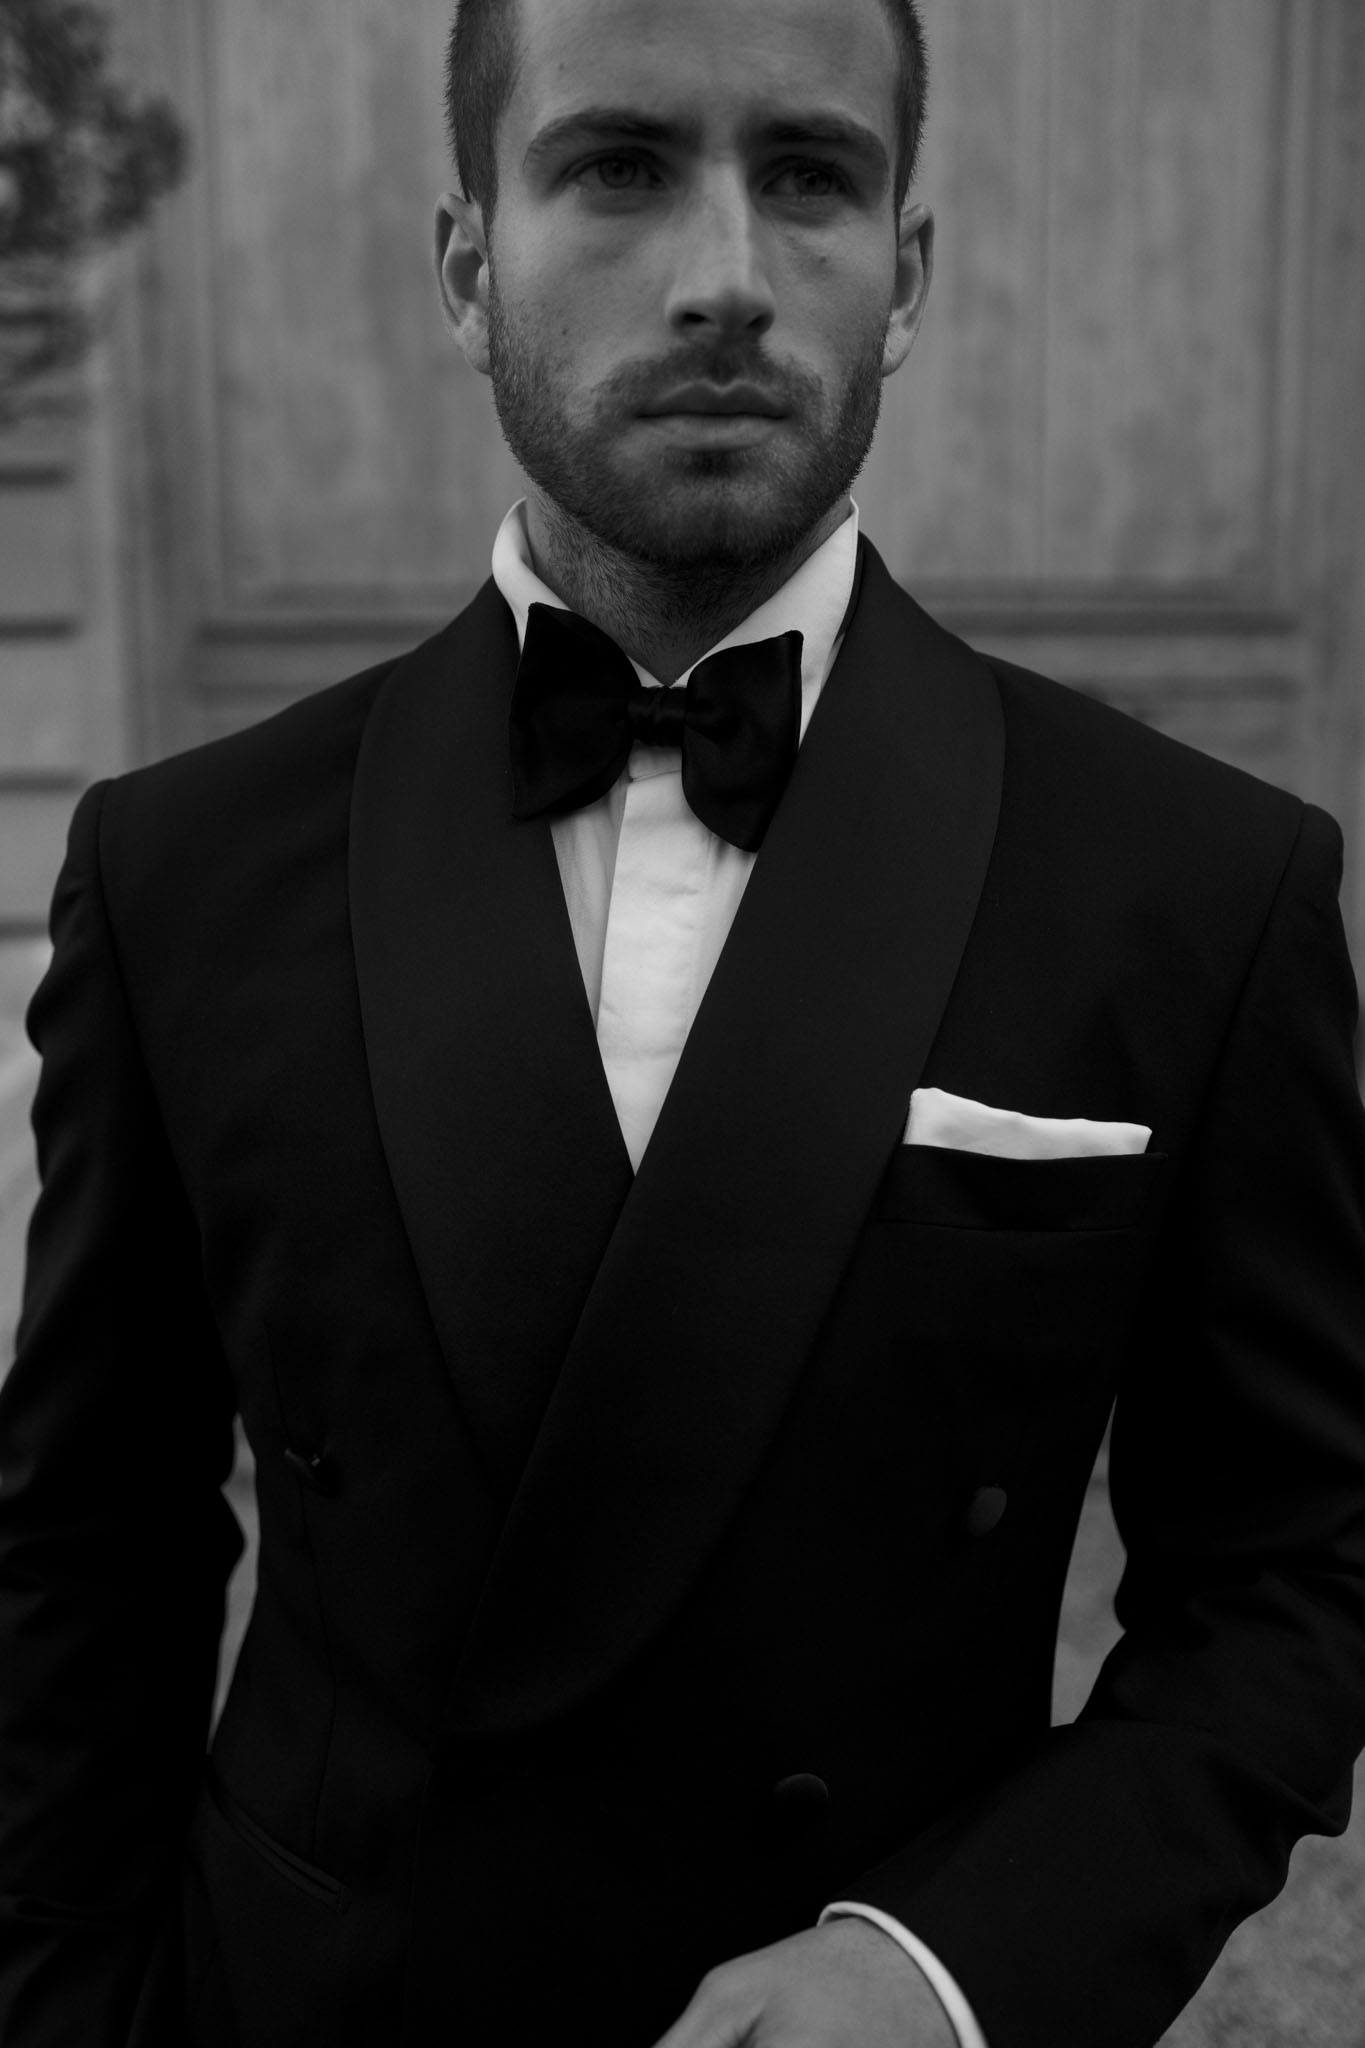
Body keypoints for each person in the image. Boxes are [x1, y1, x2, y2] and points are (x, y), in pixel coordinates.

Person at [3, 0, 1365, 2041]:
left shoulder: (1194, 883)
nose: (723, 274)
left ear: (900, 275)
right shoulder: (177, 872)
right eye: (618, 165)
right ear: (468, 264)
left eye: (807, 175)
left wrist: (951, 1967)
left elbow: (1298, 1567)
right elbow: (83, 1560)